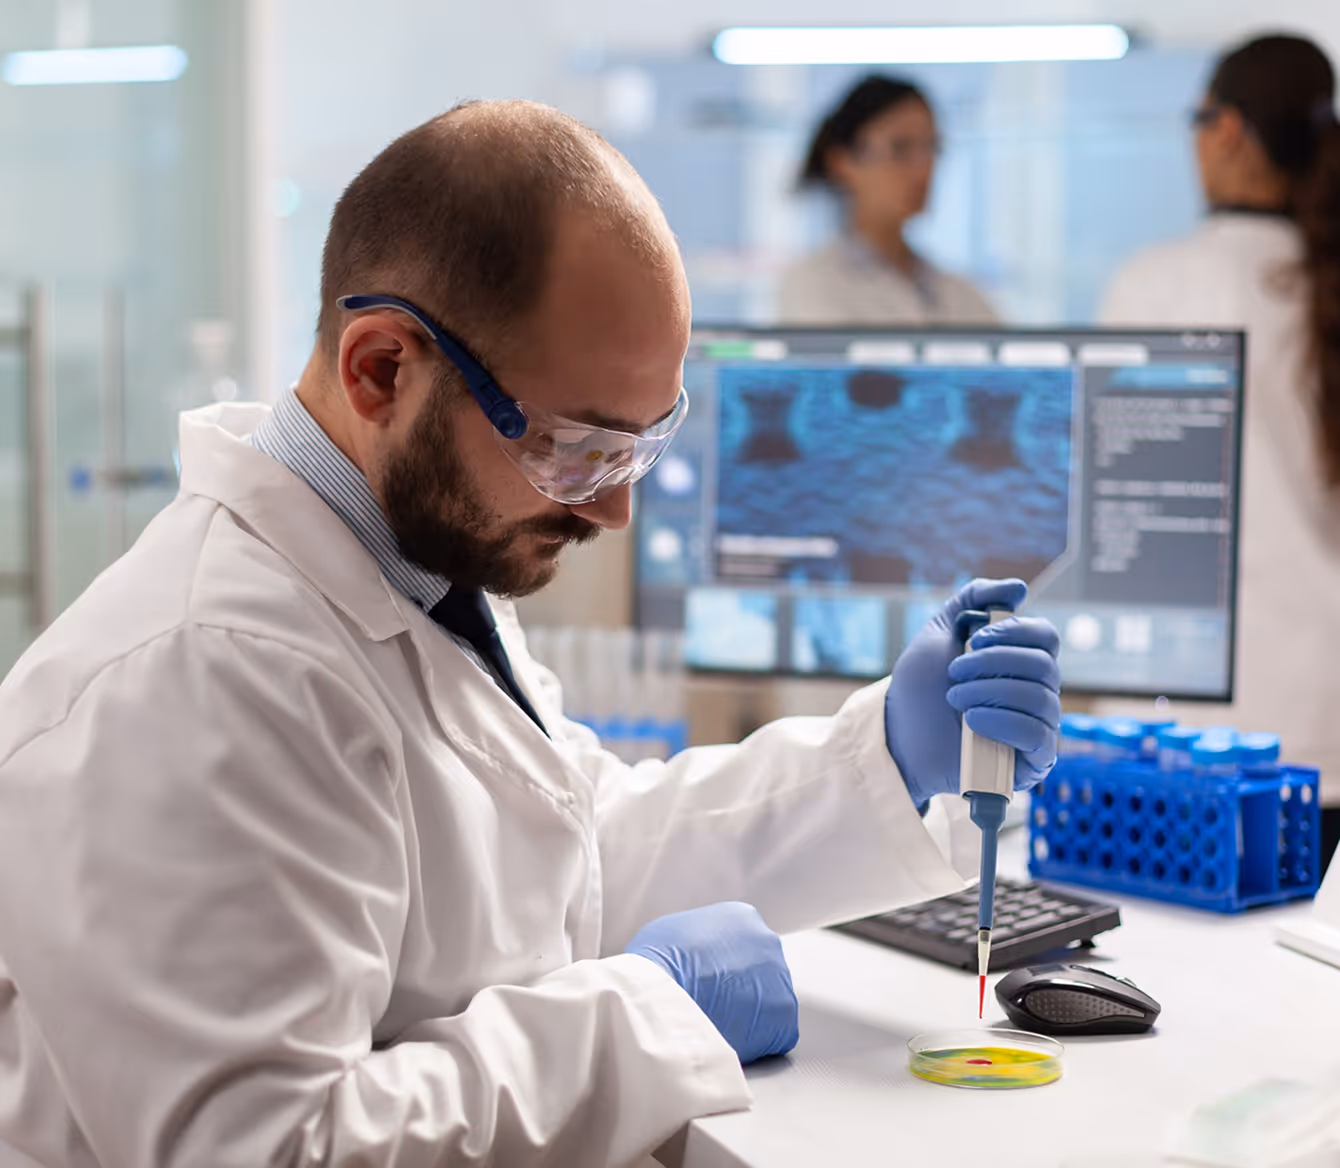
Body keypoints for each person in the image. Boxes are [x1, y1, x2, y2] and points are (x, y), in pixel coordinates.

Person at [0, 101, 1060, 1167]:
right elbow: (274, 1148)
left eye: (641, 447)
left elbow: (563, 860)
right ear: (381, 369)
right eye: (574, 448)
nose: (612, 514)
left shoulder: (411, 562)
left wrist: (881, 754)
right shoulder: (196, 677)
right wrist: (650, 1012)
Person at [1098, 34, 1340, 811]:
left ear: (1228, 129)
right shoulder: (1321, 285)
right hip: (1324, 720)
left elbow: (1114, 517)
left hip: (1193, 733)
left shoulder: (1158, 285)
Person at [777, 74, 997, 326]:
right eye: (901, 148)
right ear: (841, 162)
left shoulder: (961, 293)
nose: (923, 169)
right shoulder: (811, 286)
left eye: (932, 148)